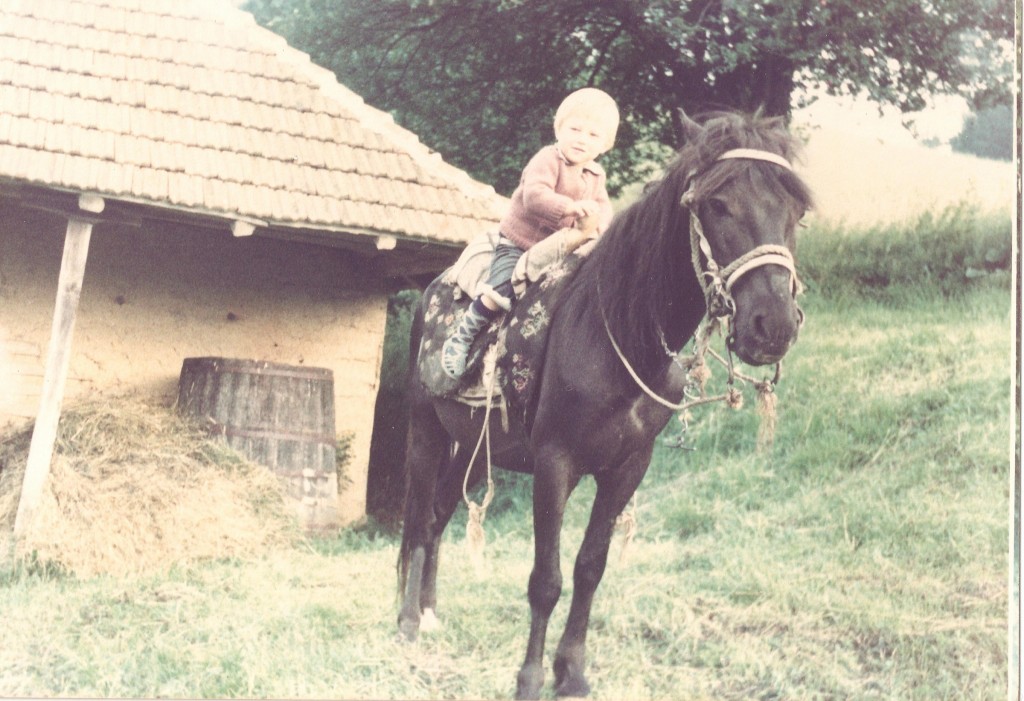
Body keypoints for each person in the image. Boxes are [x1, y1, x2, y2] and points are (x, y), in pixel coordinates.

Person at [441, 87, 620, 380]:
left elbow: (603, 209)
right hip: (520, 243)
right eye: (575, 129)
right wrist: (570, 207)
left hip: (559, 250)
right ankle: (462, 336)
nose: (581, 139)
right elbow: (534, 196)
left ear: (604, 146)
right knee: (500, 291)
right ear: (559, 129)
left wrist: (603, 229)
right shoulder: (548, 160)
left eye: (593, 135)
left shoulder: (595, 175)